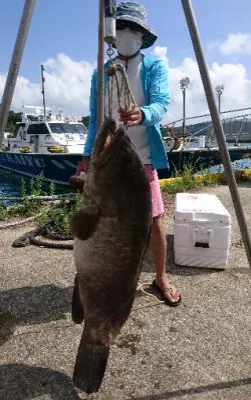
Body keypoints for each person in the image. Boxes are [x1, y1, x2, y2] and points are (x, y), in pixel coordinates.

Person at [71, 2, 181, 306]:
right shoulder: (102, 72)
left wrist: (142, 114)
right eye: (120, 27)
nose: (126, 33)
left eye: (133, 28)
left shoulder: (155, 67)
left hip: (142, 158)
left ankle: (160, 276)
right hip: (107, 159)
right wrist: (86, 155)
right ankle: (93, 274)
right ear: (111, 34)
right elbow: (96, 118)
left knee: (154, 219)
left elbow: (161, 103)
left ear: (143, 35)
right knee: (99, 219)